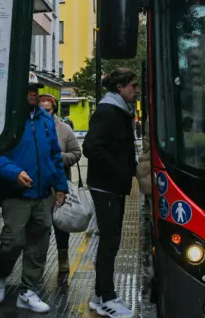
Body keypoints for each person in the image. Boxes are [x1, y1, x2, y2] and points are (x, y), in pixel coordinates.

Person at [0, 81, 68, 313]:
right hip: (17, 193)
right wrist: (15, 174)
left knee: (39, 244)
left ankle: (28, 291)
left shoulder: (45, 119)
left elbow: (54, 154)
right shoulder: (8, 119)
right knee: (12, 239)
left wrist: (60, 185)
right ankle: (0, 275)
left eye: (35, 90)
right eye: (28, 90)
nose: (33, 94)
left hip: (43, 193)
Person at [83, 68, 139, 318]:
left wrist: (132, 170)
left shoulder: (120, 111)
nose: (136, 90)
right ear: (120, 88)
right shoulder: (108, 111)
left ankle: (98, 295)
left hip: (113, 185)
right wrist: (118, 171)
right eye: (133, 86)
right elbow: (90, 147)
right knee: (110, 241)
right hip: (105, 186)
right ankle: (108, 297)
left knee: (111, 241)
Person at [38, 93, 81, 276]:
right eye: (41, 110)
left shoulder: (64, 129)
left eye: (47, 110)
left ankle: (63, 258)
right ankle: (38, 262)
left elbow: (77, 153)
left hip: (59, 185)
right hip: (39, 186)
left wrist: (59, 158)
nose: (45, 113)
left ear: (53, 109)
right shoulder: (32, 127)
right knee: (40, 226)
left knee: (61, 225)